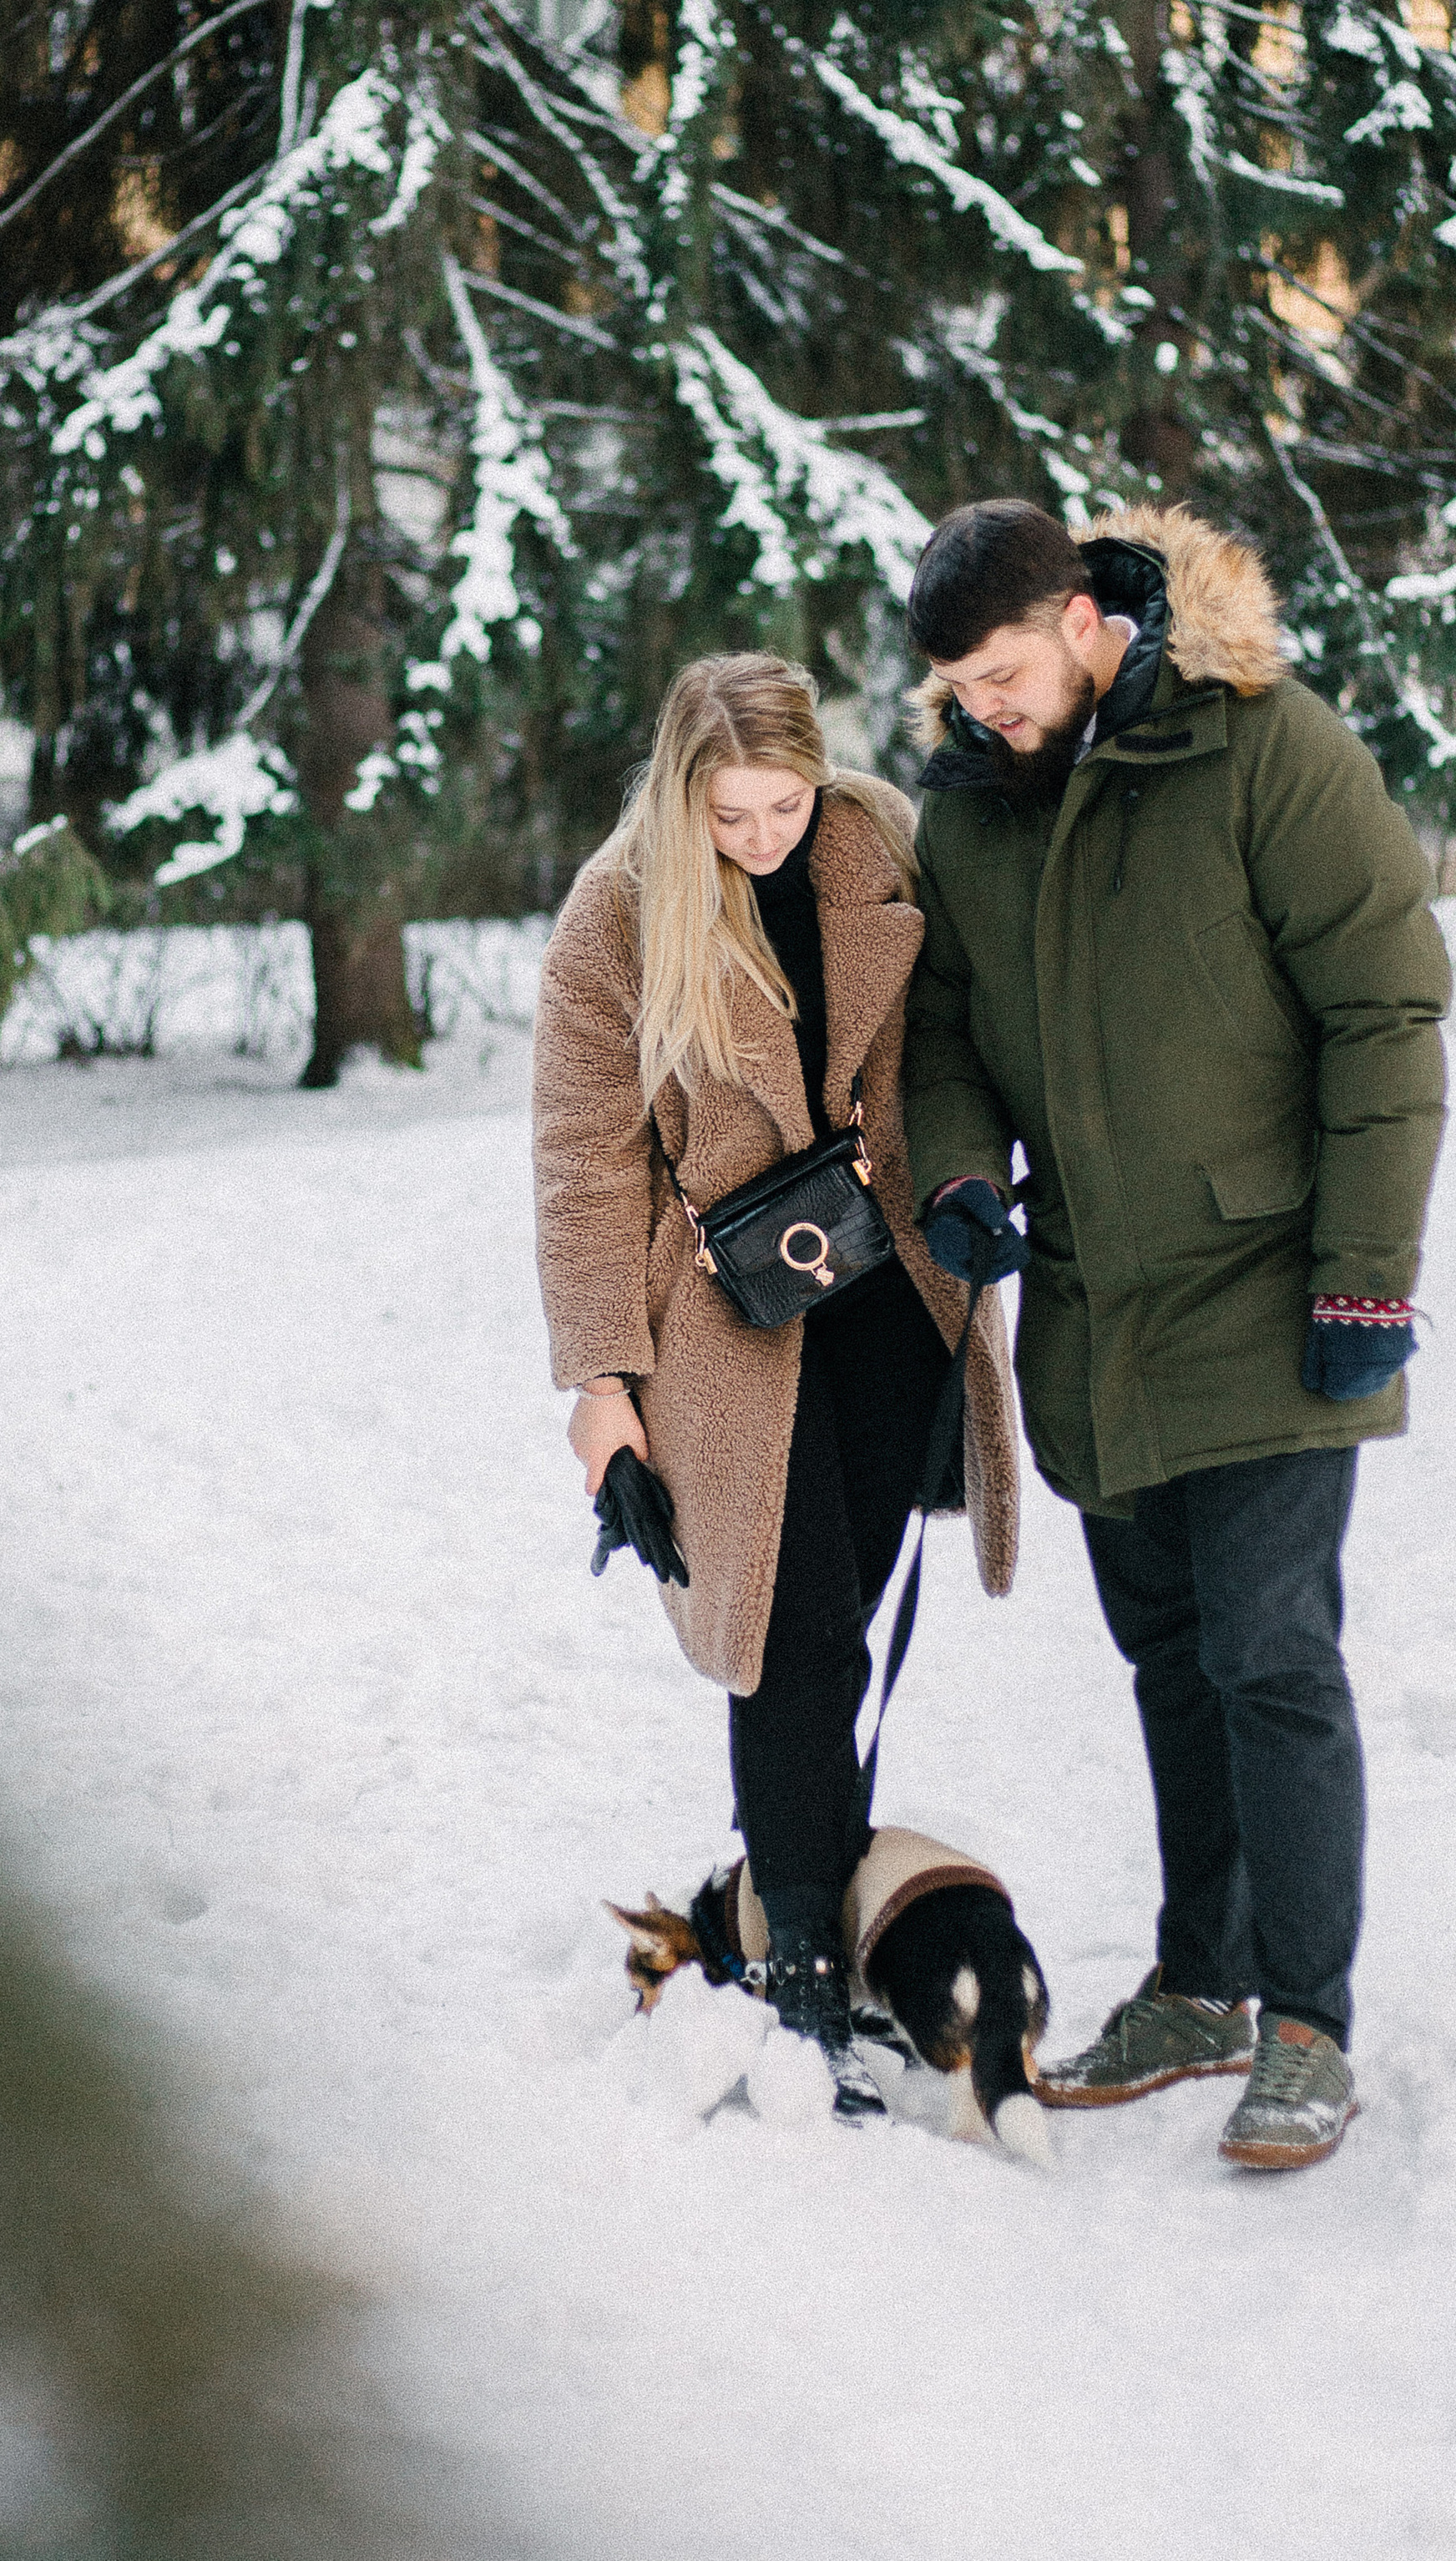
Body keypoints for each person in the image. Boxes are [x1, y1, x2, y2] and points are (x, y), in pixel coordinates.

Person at [901, 499, 1448, 2170]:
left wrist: (1364, 1274)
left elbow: (1383, 1009)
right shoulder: (973, 814)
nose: (983, 710)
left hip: (1271, 1299)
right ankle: (1199, 1984)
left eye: (1002, 673)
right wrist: (951, 1180)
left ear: (1081, 618)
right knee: (1167, 1669)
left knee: (1268, 1659)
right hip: (1090, 1318)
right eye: (957, 690)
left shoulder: (1264, 751)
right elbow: (939, 1034)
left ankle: (1305, 2024)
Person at [532, 652, 1020, 2118]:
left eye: (781, 803)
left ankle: (788, 1891)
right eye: (727, 816)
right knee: (786, 1634)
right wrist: (602, 1386)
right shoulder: (616, 924)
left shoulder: (882, 858)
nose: (760, 837)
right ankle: (800, 1957)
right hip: (728, 1334)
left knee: (842, 1620)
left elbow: (958, 1053)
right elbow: (585, 1169)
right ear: (680, 800)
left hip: (890, 1304)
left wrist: (973, 1186)